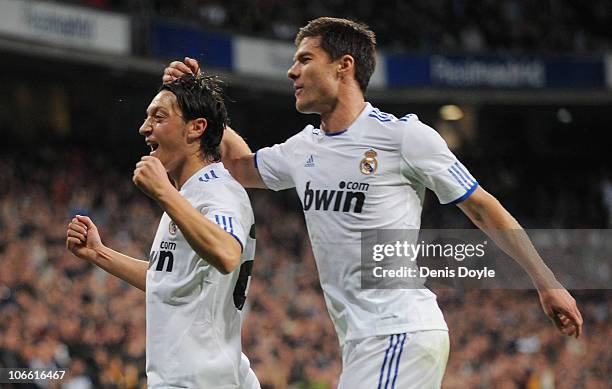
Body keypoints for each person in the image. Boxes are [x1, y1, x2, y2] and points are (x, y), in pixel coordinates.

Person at [164, 17, 583, 388]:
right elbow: (238, 166)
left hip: (397, 332)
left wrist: (546, 280)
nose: (292, 70)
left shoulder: (403, 137)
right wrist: (201, 101)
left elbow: (482, 206)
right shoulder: (303, 148)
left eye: (306, 59)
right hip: (364, 341)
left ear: (344, 66)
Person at [66, 74, 260, 388]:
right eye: (146, 118)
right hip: (201, 375)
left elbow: (227, 254)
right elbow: (170, 281)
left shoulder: (217, 192)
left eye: (158, 117)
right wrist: (99, 253)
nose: (145, 128)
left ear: (196, 128)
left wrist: (163, 194)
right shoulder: (189, 195)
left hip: (198, 380)